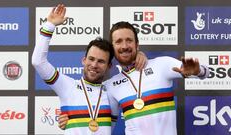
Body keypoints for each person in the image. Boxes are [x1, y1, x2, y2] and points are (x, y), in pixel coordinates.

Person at [59, 21, 210, 135]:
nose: (124, 46)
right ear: (113, 48)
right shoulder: (110, 86)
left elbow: (207, 73)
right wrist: (70, 120)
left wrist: (198, 71)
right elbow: (102, 125)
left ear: (137, 44)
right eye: (118, 41)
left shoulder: (162, 64)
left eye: (129, 40)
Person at [32, 4, 147, 135]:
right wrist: (49, 25)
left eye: (101, 61)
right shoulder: (67, 86)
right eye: (91, 59)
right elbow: (38, 62)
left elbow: (138, 81)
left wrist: (138, 55)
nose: (94, 65)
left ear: (109, 66)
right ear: (83, 60)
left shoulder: (113, 89)